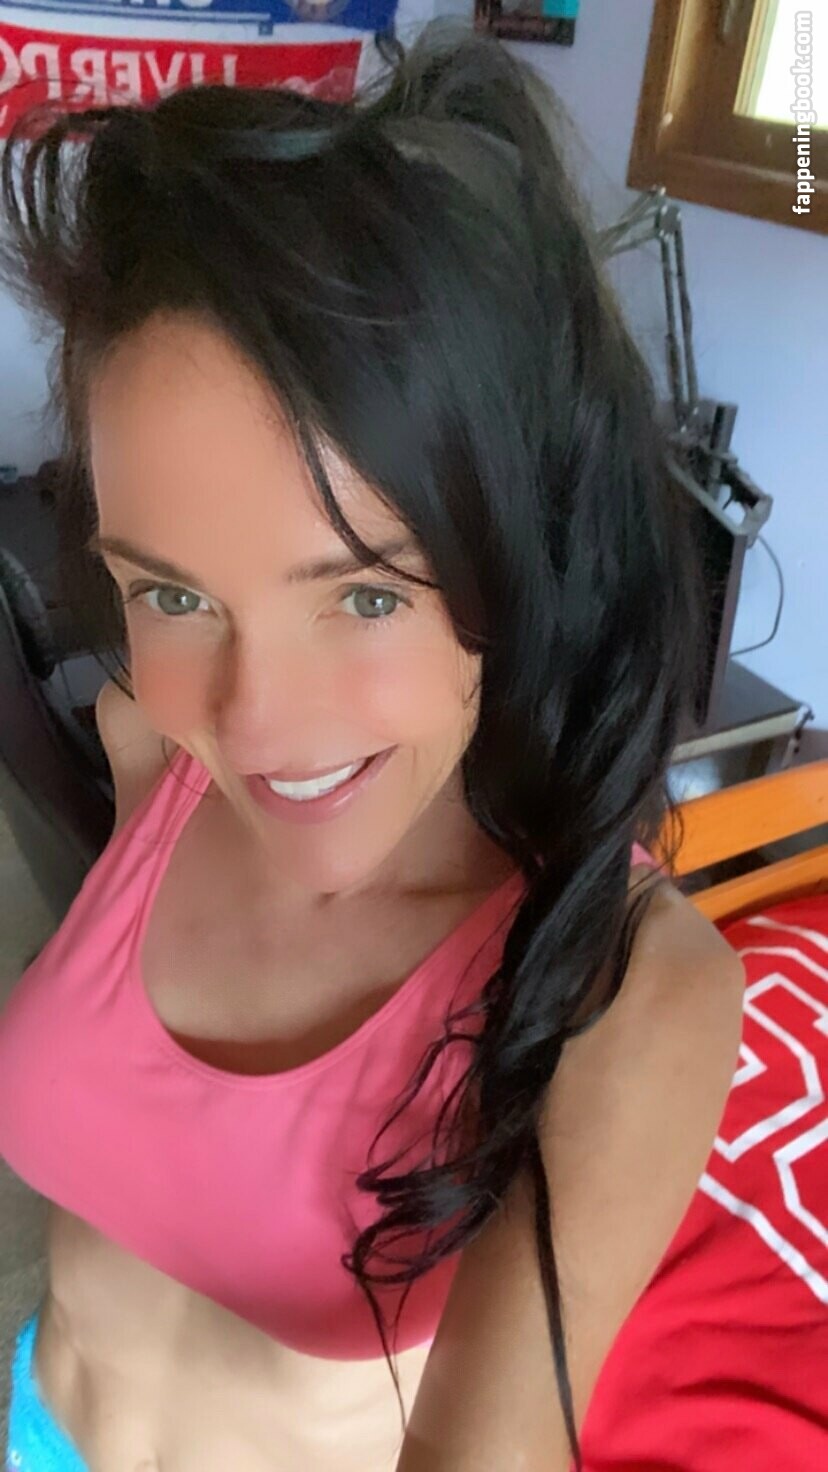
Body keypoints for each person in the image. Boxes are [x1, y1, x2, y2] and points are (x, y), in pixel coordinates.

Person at [0, 20, 744, 1472]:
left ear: (520, 561)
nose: (252, 725)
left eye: (364, 594)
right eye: (174, 594)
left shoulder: (619, 987)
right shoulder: (147, 744)